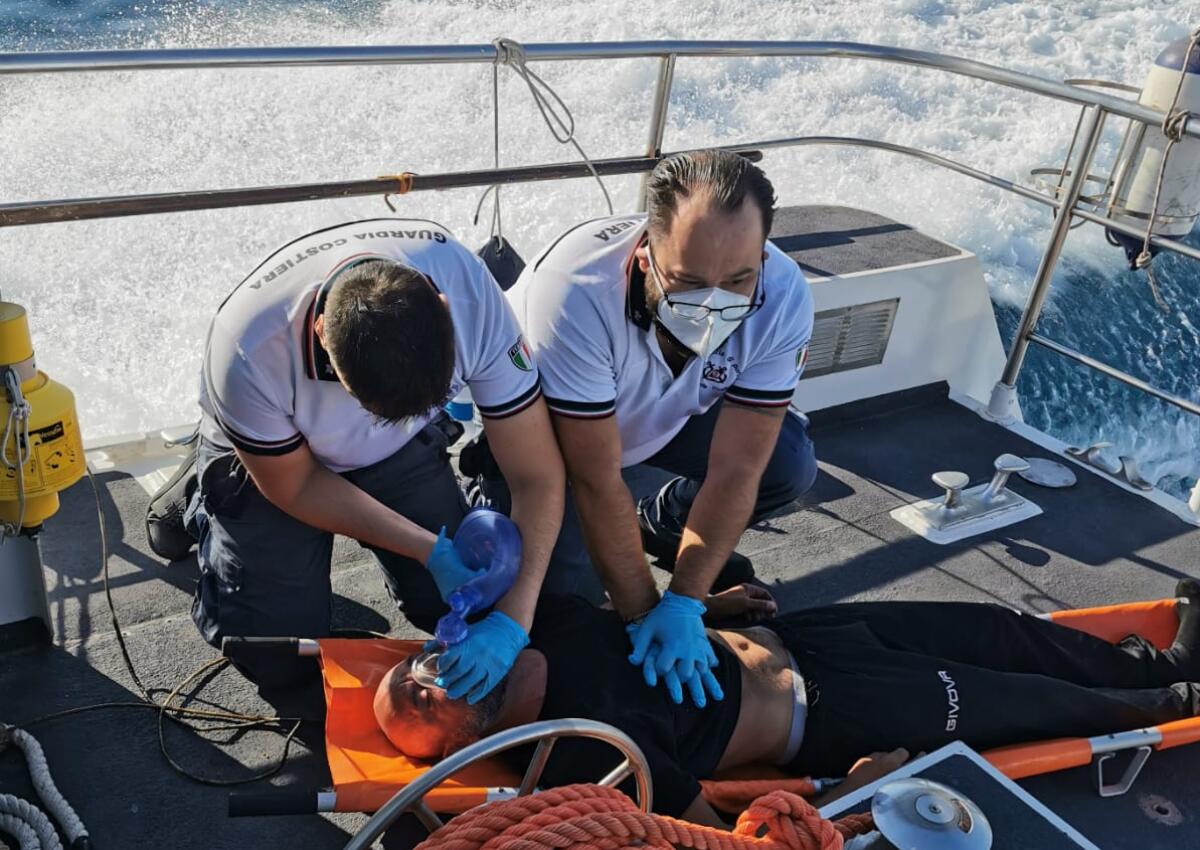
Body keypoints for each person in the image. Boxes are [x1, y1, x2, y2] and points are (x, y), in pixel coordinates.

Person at [374, 583, 1200, 827]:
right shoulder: (581, 752)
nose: (418, 674)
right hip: (837, 711)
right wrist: (857, 798)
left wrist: (707, 608)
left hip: (822, 630)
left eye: (408, 666)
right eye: (413, 703)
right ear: (453, 743)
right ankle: (1176, 694)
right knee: (1037, 701)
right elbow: (720, 835)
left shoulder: (530, 621)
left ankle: (1152, 661)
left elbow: (635, 611)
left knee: (1002, 630)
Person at [478, 150, 816, 708]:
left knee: (789, 460)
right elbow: (594, 478)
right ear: (643, 258)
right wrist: (639, 614)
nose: (712, 305)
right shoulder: (574, 293)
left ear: (762, 255)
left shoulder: (783, 293)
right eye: (687, 282)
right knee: (563, 606)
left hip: (666, 415)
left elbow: (739, 467)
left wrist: (685, 602)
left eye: (738, 280)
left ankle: (660, 525)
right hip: (553, 448)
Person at [180, 219, 565, 697]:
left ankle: (399, 444)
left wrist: (513, 621)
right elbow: (297, 486)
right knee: (272, 651)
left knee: (476, 603)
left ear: (442, 308)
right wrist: (429, 548)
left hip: (396, 444)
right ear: (321, 335)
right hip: (278, 460)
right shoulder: (247, 348)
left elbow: (538, 474)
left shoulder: (469, 292)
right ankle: (202, 499)